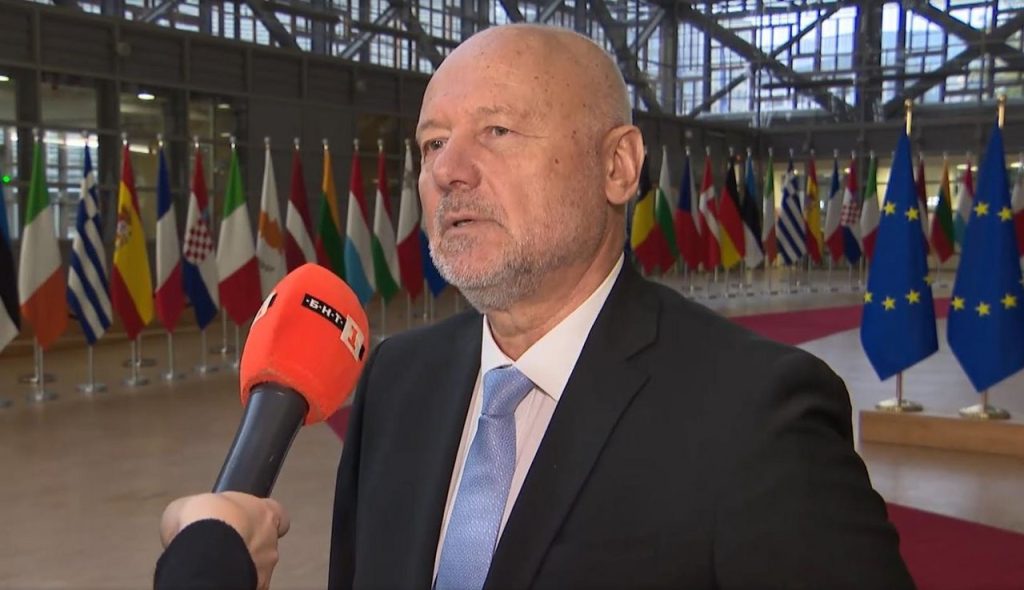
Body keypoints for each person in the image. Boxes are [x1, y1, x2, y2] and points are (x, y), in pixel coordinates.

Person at [160, 23, 914, 590]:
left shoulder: (758, 414)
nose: (449, 172)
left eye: (496, 131)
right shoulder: (396, 379)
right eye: (432, 144)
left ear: (617, 165)